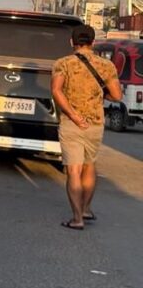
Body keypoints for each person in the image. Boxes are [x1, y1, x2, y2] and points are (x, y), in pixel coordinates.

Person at [50, 24, 121, 230]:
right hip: (95, 123)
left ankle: (77, 218)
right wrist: (99, 95)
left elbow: (56, 90)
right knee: (90, 166)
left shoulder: (63, 64)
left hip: (72, 124)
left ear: (72, 42)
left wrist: (73, 114)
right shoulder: (106, 66)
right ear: (93, 42)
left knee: (73, 171)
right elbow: (116, 96)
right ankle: (87, 208)